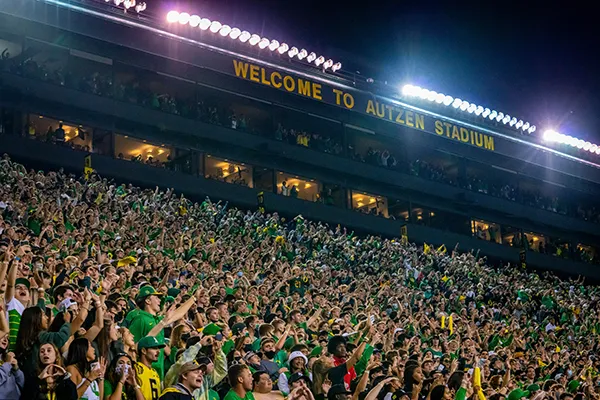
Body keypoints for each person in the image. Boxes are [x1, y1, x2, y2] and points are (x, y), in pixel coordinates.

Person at [135, 335, 164, 400]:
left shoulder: (155, 372)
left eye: (158, 348)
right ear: (143, 351)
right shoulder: (135, 368)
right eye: (154, 348)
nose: (158, 351)